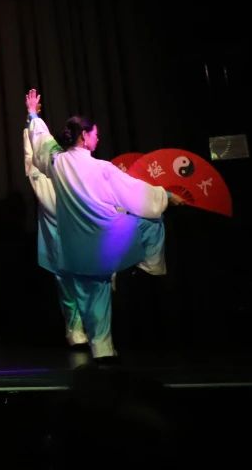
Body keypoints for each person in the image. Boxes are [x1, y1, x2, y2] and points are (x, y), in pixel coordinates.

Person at [24, 89, 180, 358]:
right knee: (153, 224)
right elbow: (136, 193)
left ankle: (103, 350)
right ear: (84, 137)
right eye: (95, 134)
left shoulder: (57, 162)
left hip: (76, 248)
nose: (98, 138)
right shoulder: (102, 169)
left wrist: (33, 115)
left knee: (94, 300)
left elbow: (41, 142)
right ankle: (148, 264)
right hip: (104, 241)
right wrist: (166, 195)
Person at [24, 126, 86, 346]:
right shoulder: (48, 176)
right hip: (64, 231)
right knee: (70, 282)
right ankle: (76, 329)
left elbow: (32, 157)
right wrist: (30, 124)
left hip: (75, 231)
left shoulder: (68, 170)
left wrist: (31, 125)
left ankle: (79, 329)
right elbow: (32, 158)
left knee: (76, 282)